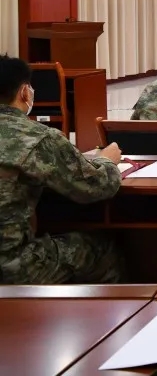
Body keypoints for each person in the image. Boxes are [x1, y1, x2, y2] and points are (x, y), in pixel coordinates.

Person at [0, 55, 124, 285]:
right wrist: (107, 161)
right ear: (25, 92)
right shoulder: (38, 137)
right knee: (100, 249)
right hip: (11, 268)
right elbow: (96, 187)